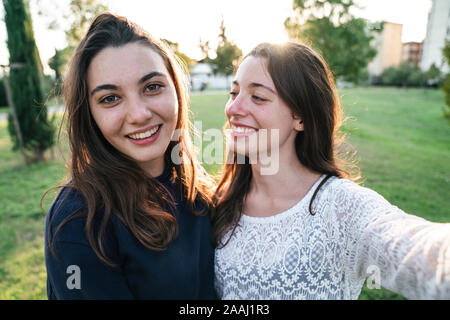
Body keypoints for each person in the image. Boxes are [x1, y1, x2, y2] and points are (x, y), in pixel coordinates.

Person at [212, 42, 450, 300]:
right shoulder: (221, 202)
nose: (233, 109)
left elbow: (411, 243)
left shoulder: (343, 207)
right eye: (233, 93)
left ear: (300, 117)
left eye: (258, 97)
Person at [44, 13, 216, 299]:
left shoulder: (194, 186)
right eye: (110, 98)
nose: (139, 115)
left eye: (152, 87)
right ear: (89, 115)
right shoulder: (78, 222)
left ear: (175, 89)